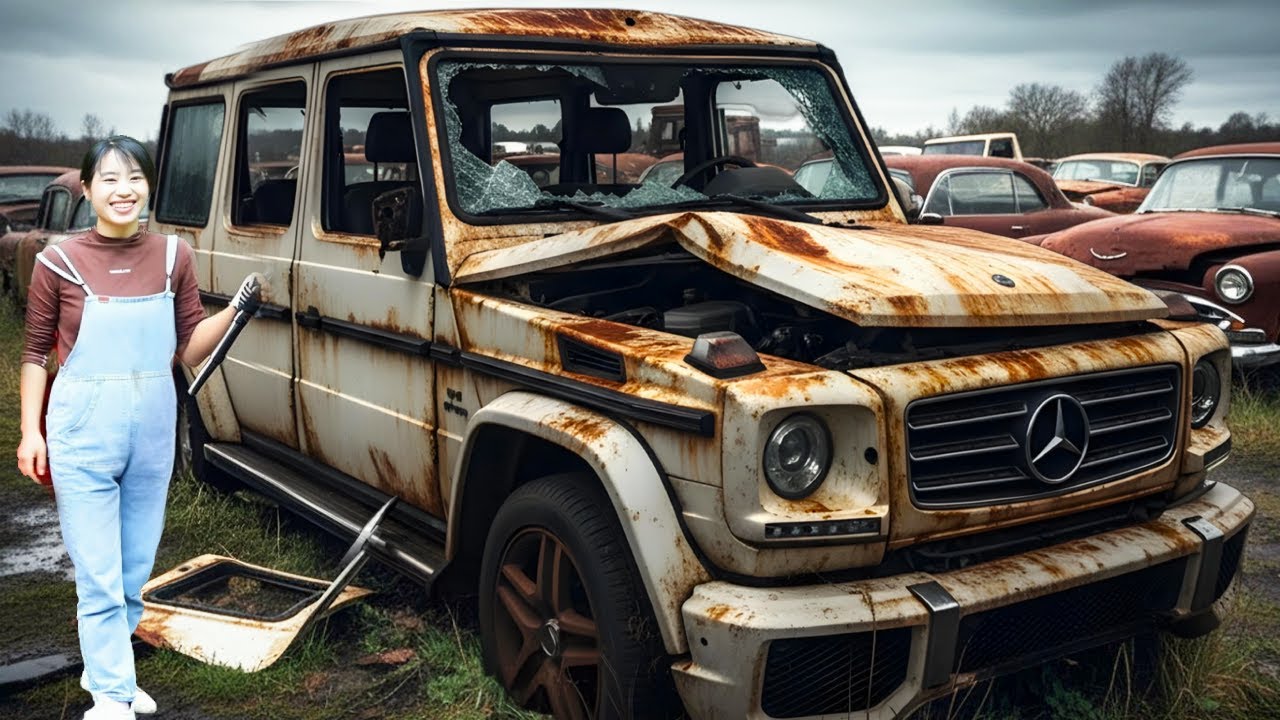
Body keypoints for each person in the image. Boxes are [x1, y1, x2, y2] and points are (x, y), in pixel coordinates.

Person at [15, 136, 264, 720]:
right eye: (108, 179)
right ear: (86, 188)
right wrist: (31, 431)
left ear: (149, 186)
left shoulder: (176, 255)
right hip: (81, 431)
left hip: (153, 430)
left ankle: (116, 676)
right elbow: (33, 355)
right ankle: (110, 696)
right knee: (98, 570)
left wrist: (234, 313)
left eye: (134, 178)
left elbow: (187, 348)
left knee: (132, 571)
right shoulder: (57, 262)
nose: (123, 190)